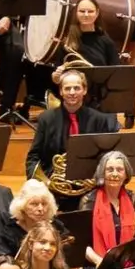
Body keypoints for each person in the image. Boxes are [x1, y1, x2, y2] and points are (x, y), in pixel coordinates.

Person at [24, 69, 119, 207]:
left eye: (77, 88)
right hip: (54, 185)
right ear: (61, 92)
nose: (72, 92)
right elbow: (33, 157)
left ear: (84, 90)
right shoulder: (46, 119)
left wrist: (97, 179)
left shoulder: (99, 120)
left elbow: (108, 157)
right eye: (67, 88)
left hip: (89, 184)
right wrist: (44, 183)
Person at [0, 179, 65, 260]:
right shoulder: (10, 233)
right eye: (34, 204)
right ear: (22, 207)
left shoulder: (57, 226)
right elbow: (5, 261)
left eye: (44, 204)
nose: (41, 208)